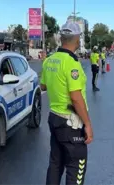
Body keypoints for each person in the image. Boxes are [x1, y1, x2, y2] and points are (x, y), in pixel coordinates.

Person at [40, 21, 94, 185]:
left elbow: (43, 85)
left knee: (55, 163)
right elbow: (76, 98)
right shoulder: (71, 63)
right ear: (77, 39)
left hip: (54, 118)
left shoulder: (50, 60)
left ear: (61, 39)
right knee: (76, 166)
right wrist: (88, 124)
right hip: (71, 123)